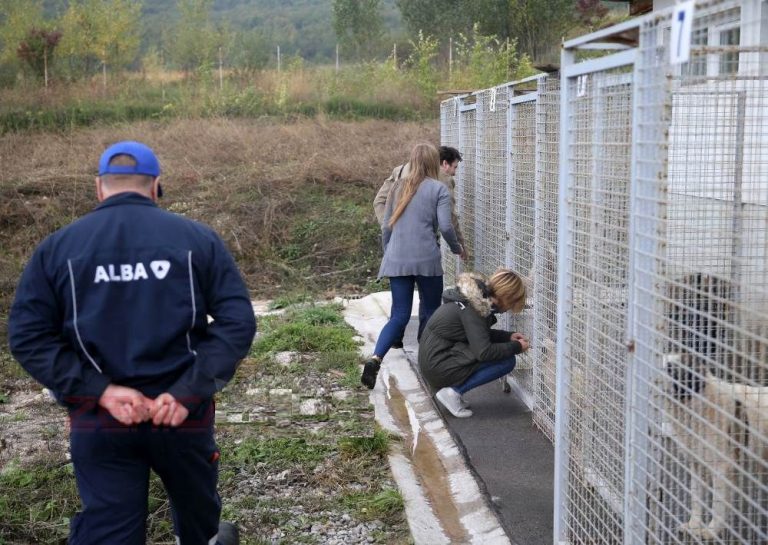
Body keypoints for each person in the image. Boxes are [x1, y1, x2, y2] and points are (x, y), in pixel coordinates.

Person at [8, 141, 256, 545]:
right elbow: (237, 322)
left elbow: (27, 335)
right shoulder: (197, 239)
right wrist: (186, 392)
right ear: (156, 185)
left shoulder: (58, 248)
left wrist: (100, 391)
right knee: (198, 513)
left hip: (99, 418)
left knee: (110, 526)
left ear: (99, 188)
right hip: (181, 414)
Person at [361, 143, 464, 389]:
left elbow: (387, 226)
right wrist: (456, 247)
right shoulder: (438, 189)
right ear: (434, 163)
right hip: (426, 259)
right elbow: (446, 226)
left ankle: (375, 358)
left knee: (399, 315)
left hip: (397, 258)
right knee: (429, 310)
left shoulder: (397, 187)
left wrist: (389, 254)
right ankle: (426, 361)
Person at [418, 269, 530, 418]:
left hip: (434, 360)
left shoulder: (473, 300)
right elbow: (483, 352)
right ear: (507, 297)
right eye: (512, 304)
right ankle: (453, 392)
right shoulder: (475, 309)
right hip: (438, 365)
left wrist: (508, 337)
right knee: (507, 361)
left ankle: (453, 391)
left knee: (501, 354)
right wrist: (517, 347)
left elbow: (477, 335)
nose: (509, 309)